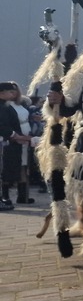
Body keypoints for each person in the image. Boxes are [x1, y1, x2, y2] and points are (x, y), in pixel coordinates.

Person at [0, 82, 32, 210]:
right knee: (2, 171)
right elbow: (3, 126)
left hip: (11, 141)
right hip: (5, 142)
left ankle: (4, 198)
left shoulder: (6, 105)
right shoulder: (2, 107)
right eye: (10, 91)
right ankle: (3, 198)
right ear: (2, 92)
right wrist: (16, 136)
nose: (13, 94)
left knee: (7, 170)